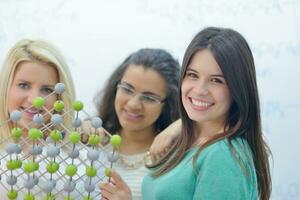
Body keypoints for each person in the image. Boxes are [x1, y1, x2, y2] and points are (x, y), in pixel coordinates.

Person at [101, 27, 272, 200]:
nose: (199, 90)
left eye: (216, 80)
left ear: (237, 88)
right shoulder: (190, 141)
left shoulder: (223, 155)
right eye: (192, 75)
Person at [94, 48, 180, 200]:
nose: (134, 104)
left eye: (149, 98)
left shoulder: (173, 160)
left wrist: (184, 123)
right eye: (127, 89)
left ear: (167, 105)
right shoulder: (92, 141)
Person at [0, 39, 76, 198]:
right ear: (6, 86)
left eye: (47, 89)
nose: (35, 99)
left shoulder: (76, 158)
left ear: (59, 97)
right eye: (24, 85)